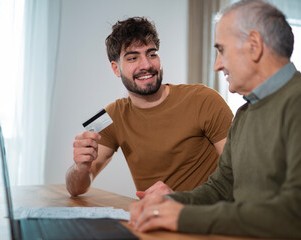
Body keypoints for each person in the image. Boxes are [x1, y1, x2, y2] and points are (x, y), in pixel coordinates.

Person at [129, 1, 301, 239]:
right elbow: (220, 189)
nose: (217, 65)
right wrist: (169, 203)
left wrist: (182, 216)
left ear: (254, 46)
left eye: (222, 50)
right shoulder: (245, 113)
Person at [65, 17, 233, 198]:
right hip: (154, 220)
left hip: (206, 220)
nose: (146, 65)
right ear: (116, 69)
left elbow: (239, 175)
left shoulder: (204, 99)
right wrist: (80, 167)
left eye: (152, 54)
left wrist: (182, 200)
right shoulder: (110, 115)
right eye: (132, 58)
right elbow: (75, 188)